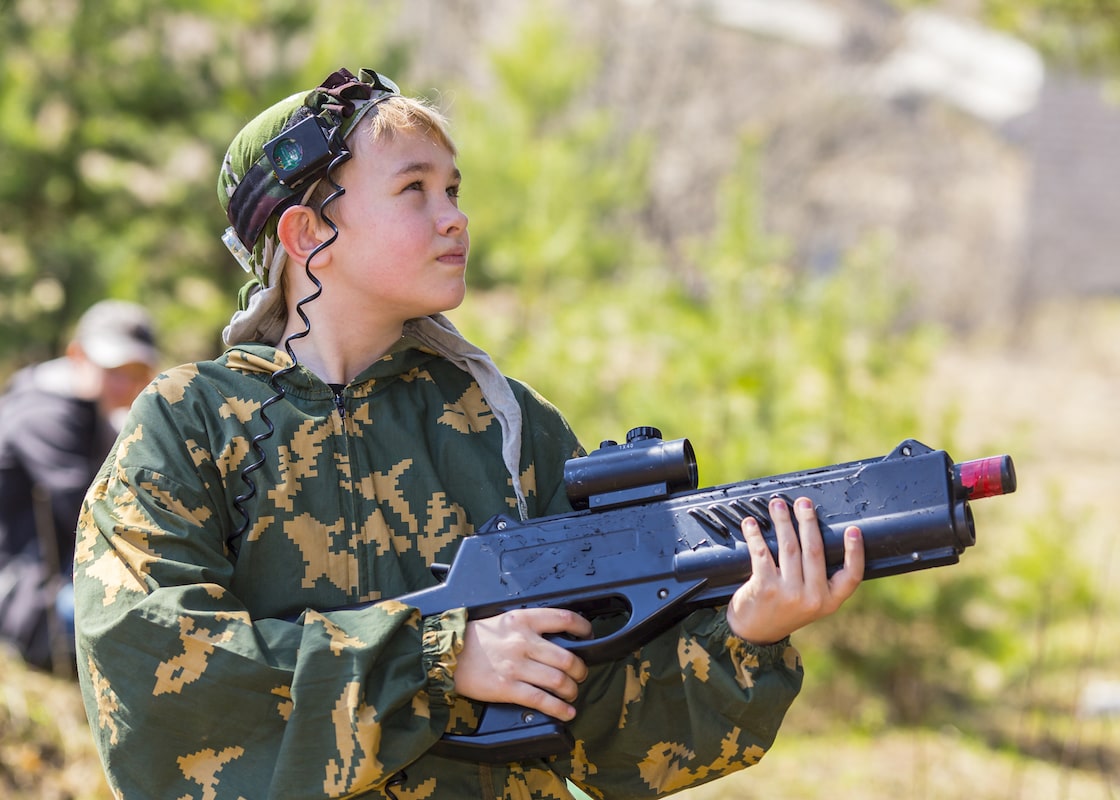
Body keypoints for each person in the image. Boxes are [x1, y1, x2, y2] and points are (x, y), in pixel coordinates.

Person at [73, 67, 863, 799]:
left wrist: (746, 634)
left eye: (453, 188)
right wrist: (442, 659)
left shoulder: (506, 426)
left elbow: (611, 734)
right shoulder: (190, 424)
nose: (454, 219)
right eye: (414, 190)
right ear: (307, 233)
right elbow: (154, 676)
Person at [0, 299, 157, 673]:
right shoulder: (43, 415)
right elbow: (94, 517)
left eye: (136, 372)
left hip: (54, 587)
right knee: (148, 631)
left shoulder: (92, 411)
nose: (125, 383)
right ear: (77, 356)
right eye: (113, 369)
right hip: (21, 593)